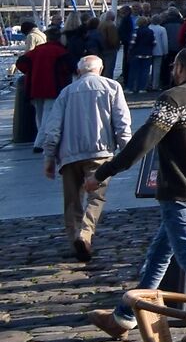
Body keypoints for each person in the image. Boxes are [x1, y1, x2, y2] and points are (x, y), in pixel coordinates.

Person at [86, 47, 186, 337]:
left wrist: (103, 173)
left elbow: (143, 142)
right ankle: (125, 317)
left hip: (176, 188)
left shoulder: (172, 99)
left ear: (178, 67)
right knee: (159, 255)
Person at [42, 53, 132, 262]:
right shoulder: (112, 87)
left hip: (69, 154)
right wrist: (127, 151)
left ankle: (75, 237)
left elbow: (53, 128)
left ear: (79, 71)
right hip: (100, 152)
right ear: (100, 69)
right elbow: (122, 123)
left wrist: (49, 157)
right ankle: (86, 232)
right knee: (96, 197)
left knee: (72, 200)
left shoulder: (67, 92)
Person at [14, 28, 69, 149]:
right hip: (53, 87)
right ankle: (40, 143)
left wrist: (29, 72)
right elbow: (67, 68)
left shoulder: (37, 51)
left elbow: (21, 63)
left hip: (34, 87)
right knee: (48, 115)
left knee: (39, 116)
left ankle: (41, 140)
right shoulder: (61, 52)